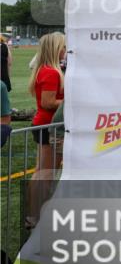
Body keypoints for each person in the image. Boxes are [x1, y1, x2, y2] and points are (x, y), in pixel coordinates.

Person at [28, 32, 65, 226]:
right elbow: (48, 102)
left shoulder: (45, 69)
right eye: (63, 47)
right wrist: (70, 100)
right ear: (55, 49)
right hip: (47, 125)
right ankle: (34, 216)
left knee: (42, 171)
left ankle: (34, 214)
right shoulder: (51, 72)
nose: (66, 50)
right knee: (45, 173)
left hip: (43, 124)